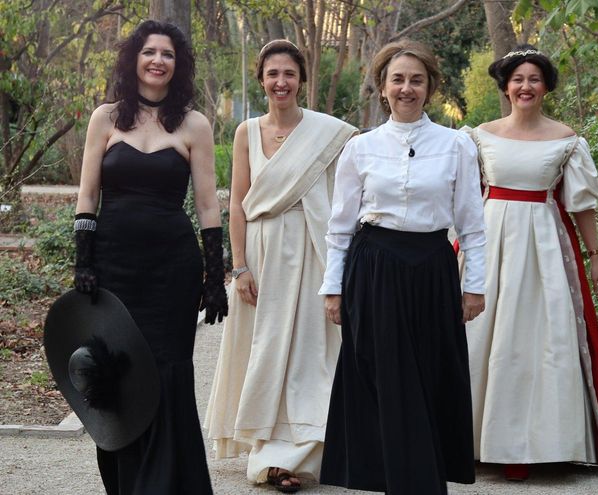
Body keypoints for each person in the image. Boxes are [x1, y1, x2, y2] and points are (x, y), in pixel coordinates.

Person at [318, 39, 486, 495]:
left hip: (432, 269)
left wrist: (475, 286)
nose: (407, 88)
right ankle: (403, 483)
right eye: (398, 79)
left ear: (430, 87)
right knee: (385, 380)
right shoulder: (360, 148)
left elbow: (472, 224)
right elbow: (339, 227)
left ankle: (422, 482)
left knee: (429, 379)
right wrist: (333, 288)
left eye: (416, 79)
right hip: (373, 272)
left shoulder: (457, 146)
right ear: (382, 86)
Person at [73, 19, 226, 494]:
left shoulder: (194, 124)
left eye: (168, 54)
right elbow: (87, 195)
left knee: (167, 372)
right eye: (149, 52)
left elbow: (206, 203)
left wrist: (215, 274)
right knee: (115, 373)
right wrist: (84, 260)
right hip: (114, 268)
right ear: (134, 59)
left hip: (171, 273)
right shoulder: (106, 118)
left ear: (177, 66)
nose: (158, 60)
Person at [463, 45, 598, 481]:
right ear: (506, 86)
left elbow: (582, 205)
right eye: (518, 79)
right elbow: (460, 198)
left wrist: (595, 258)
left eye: (534, 79)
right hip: (490, 242)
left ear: (546, 87)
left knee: (544, 343)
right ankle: (476, 439)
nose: (525, 86)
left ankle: (549, 442)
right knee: (482, 339)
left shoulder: (567, 139)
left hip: (547, 249)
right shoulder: (478, 135)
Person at [203, 40, 356, 493]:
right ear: (262, 80)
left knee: (311, 351)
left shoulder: (330, 133)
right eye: (272, 74)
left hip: (312, 249)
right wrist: (240, 268)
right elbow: (237, 207)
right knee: (264, 350)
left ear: (301, 79)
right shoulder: (246, 131)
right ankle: (265, 450)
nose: (281, 82)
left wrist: (340, 268)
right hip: (263, 251)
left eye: (289, 73)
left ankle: (299, 454)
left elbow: (346, 202)